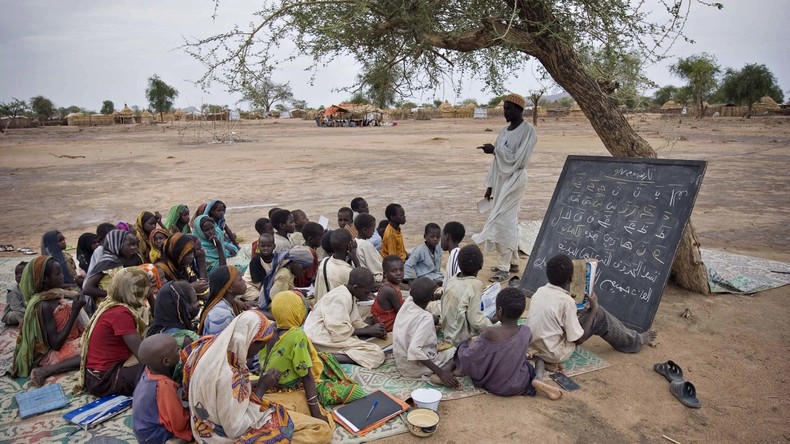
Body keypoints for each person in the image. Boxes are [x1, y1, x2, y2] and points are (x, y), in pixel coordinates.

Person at [182, 310, 329, 442]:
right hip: (221, 434)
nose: (262, 349)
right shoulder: (228, 374)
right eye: (260, 345)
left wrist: (258, 381)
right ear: (248, 341)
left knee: (298, 400)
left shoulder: (208, 345)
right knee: (320, 429)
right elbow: (235, 429)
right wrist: (261, 389)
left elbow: (213, 391)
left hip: (208, 418)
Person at [526, 254, 658, 369]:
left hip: (534, 347)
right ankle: (636, 341)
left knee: (575, 316)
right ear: (571, 279)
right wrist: (594, 309)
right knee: (599, 315)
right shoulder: (566, 301)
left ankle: (543, 360)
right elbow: (579, 340)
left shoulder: (540, 291)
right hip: (554, 353)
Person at [472, 93, 538, 283]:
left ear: (519, 110)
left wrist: (495, 150)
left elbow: (520, 160)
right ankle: (514, 262)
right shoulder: (504, 131)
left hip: (515, 180)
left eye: (508, 109)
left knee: (504, 220)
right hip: (500, 180)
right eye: (504, 109)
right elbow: (496, 162)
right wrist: (490, 187)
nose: (505, 112)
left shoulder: (528, 132)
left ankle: (503, 268)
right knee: (508, 219)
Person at [455, 287, 562, 400]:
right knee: (539, 360)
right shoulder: (526, 331)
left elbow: (467, 357)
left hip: (494, 385)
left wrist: (463, 342)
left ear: (499, 311)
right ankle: (538, 379)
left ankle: (537, 379)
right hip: (520, 383)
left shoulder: (489, 333)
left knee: (480, 360)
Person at [264, 291, 366, 406]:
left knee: (323, 357)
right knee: (358, 392)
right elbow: (306, 376)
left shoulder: (271, 330)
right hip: (296, 387)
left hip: (272, 383)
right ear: (297, 312)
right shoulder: (296, 336)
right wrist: (315, 409)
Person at [11, 256, 86, 385]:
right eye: (58, 274)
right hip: (54, 351)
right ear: (44, 279)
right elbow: (56, 344)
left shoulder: (55, 294)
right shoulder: (43, 305)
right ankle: (46, 370)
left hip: (70, 340)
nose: (62, 276)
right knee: (92, 352)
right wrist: (74, 312)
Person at [77, 267, 150, 397]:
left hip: (97, 374)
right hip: (103, 379)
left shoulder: (112, 303)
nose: (146, 292)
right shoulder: (121, 313)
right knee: (158, 368)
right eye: (144, 288)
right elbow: (142, 354)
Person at [304, 268, 387, 369]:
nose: (368, 295)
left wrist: (371, 330)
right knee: (376, 353)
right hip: (319, 337)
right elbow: (338, 331)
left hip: (328, 333)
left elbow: (355, 321)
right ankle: (325, 358)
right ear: (356, 287)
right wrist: (367, 330)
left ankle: (331, 355)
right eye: (366, 292)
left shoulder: (349, 294)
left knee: (369, 344)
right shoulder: (340, 297)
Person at [393, 278, 459, 388]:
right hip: (414, 369)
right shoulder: (426, 318)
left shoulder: (408, 302)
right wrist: (440, 372)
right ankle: (442, 373)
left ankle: (438, 372)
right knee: (458, 351)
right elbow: (414, 350)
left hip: (402, 364)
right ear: (432, 297)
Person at [132, 334, 193, 444]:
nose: (180, 353)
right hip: (155, 436)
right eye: (177, 351)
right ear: (166, 362)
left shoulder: (147, 372)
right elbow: (177, 419)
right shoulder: (164, 385)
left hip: (142, 430)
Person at [440, 245, 493, 346]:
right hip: (460, 339)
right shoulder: (475, 284)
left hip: (448, 333)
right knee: (498, 329)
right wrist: (492, 323)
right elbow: (476, 321)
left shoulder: (453, 279)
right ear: (481, 265)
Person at [83, 230, 139, 313]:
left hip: (117, 305)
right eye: (130, 244)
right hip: (108, 308)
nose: (133, 247)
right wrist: (114, 295)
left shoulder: (118, 261)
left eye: (135, 244)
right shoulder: (107, 263)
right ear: (117, 244)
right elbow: (87, 288)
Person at [146, 281, 200, 348]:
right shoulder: (186, 340)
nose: (197, 305)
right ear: (179, 309)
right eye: (194, 302)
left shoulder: (157, 327)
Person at [198, 265, 247, 335]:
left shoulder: (228, 303)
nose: (244, 281)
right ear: (230, 288)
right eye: (240, 279)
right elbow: (221, 343)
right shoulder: (222, 315)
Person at [314, 229, 358, 301]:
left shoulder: (324, 262)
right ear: (350, 245)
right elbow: (365, 283)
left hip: (322, 306)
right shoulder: (348, 272)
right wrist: (355, 258)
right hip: (337, 310)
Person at [243, 233, 284, 307]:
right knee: (262, 302)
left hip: (264, 286)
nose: (266, 248)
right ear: (258, 246)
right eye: (263, 246)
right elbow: (259, 282)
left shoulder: (276, 259)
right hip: (250, 286)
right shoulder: (256, 260)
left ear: (274, 247)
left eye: (269, 246)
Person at [371, 255, 405, 331]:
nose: (399, 273)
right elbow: (402, 313)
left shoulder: (393, 285)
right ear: (385, 273)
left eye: (401, 270)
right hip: (387, 326)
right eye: (393, 271)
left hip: (392, 320)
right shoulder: (389, 290)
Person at [353, 213, 383, 282]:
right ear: (364, 230)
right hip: (372, 279)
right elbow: (377, 268)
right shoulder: (366, 245)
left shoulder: (356, 241)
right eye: (373, 229)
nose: (374, 232)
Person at [2, 261, 27, 326]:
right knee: (19, 314)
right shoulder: (14, 291)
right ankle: (25, 325)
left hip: (26, 310)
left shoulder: (31, 287)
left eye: (22, 273)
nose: (19, 276)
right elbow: (16, 308)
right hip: (13, 312)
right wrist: (30, 312)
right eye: (16, 273)